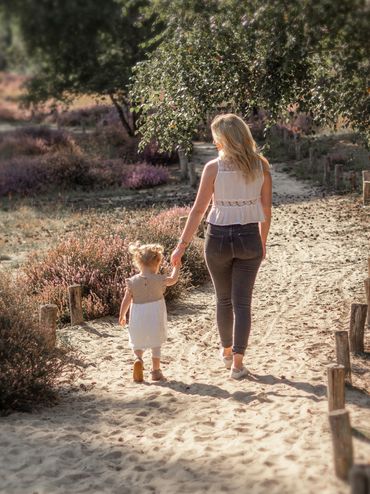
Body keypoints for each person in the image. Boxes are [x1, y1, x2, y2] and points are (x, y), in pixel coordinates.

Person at [171, 113, 272, 379]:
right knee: (243, 304)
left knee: (223, 300)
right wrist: (262, 243)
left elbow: (198, 211)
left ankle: (227, 352)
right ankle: (238, 364)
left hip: (217, 239)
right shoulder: (261, 166)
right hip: (249, 237)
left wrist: (181, 247)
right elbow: (267, 209)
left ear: (223, 140)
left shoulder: (213, 168)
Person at [119, 242, 181, 382]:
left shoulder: (133, 281)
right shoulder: (159, 279)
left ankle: (138, 359)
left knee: (138, 341)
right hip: (155, 316)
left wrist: (122, 315)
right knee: (156, 342)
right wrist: (176, 267)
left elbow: (126, 300)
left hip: (138, 317)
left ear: (138, 262)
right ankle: (156, 371)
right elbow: (173, 280)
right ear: (157, 262)